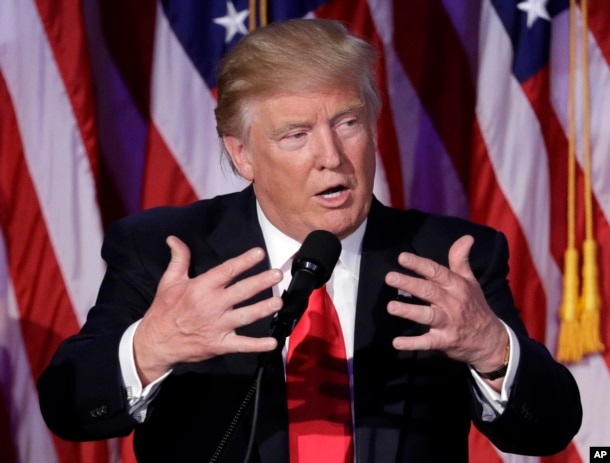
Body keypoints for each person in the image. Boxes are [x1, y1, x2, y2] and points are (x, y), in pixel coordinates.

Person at [38, 18, 582, 462]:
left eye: (348, 123)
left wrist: (492, 348)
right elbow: (68, 408)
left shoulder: (450, 257)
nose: (331, 156)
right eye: (296, 135)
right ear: (242, 154)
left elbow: (549, 430)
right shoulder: (167, 251)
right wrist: (150, 348)